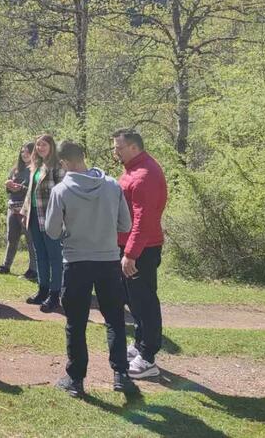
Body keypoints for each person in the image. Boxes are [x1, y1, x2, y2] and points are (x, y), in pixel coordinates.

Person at [45, 140, 134, 397]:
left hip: (76, 261)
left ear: (63, 163)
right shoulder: (112, 185)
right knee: (114, 319)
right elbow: (125, 225)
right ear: (84, 156)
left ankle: (76, 380)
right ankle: (121, 374)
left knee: (76, 321)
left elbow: (52, 231)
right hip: (107, 260)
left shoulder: (61, 190)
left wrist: (69, 231)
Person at [113, 128, 168, 380]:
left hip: (141, 251)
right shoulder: (133, 170)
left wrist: (131, 254)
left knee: (144, 301)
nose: (115, 152)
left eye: (119, 148)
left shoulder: (146, 174)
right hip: (128, 247)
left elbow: (143, 220)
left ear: (133, 147)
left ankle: (148, 358)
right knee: (133, 300)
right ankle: (139, 343)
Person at [23, 133, 66, 312]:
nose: (40, 148)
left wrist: (60, 218)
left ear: (52, 147)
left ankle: (55, 295)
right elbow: (31, 193)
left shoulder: (58, 166)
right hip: (34, 216)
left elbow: (63, 193)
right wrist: (25, 212)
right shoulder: (37, 166)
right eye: (38, 145)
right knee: (40, 254)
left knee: (55, 257)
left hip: (51, 218)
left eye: (44, 145)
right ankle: (43, 289)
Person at [0, 142, 37, 279]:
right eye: (22, 152)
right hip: (12, 207)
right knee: (11, 238)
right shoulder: (15, 169)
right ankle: (5, 266)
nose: (24, 154)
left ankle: (33, 270)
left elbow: (34, 191)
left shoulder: (35, 169)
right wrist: (9, 185)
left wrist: (21, 188)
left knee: (30, 240)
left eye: (27, 152)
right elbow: (9, 187)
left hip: (26, 209)